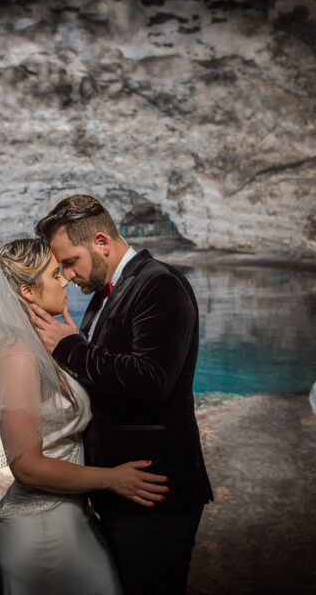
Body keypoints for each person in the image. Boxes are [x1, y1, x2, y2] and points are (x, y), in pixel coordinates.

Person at [0, 238, 169, 594]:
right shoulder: (16, 359)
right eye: (53, 274)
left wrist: (73, 347)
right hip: (43, 528)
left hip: (69, 517)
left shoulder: (36, 344)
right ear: (27, 291)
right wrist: (112, 479)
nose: (65, 280)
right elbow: (27, 467)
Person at [30, 195, 213, 595]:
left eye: (70, 261)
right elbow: (104, 379)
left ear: (101, 242)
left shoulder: (160, 285)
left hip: (156, 488)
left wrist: (70, 348)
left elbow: (151, 380)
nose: (66, 275)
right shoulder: (102, 295)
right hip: (120, 487)